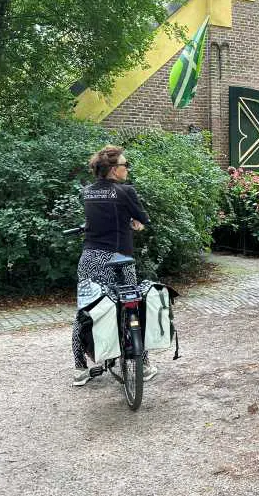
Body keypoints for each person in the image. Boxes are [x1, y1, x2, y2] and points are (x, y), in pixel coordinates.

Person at [71, 145, 153, 387]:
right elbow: (143, 220)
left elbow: (97, 219)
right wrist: (135, 223)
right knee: (132, 305)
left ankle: (79, 368)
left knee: (85, 311)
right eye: (125, 165)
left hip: (90, 259)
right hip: (119, 259)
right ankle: (144, 363)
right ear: (114, 170)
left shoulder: (86, 192)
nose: (127, 169)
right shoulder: (125, 191)